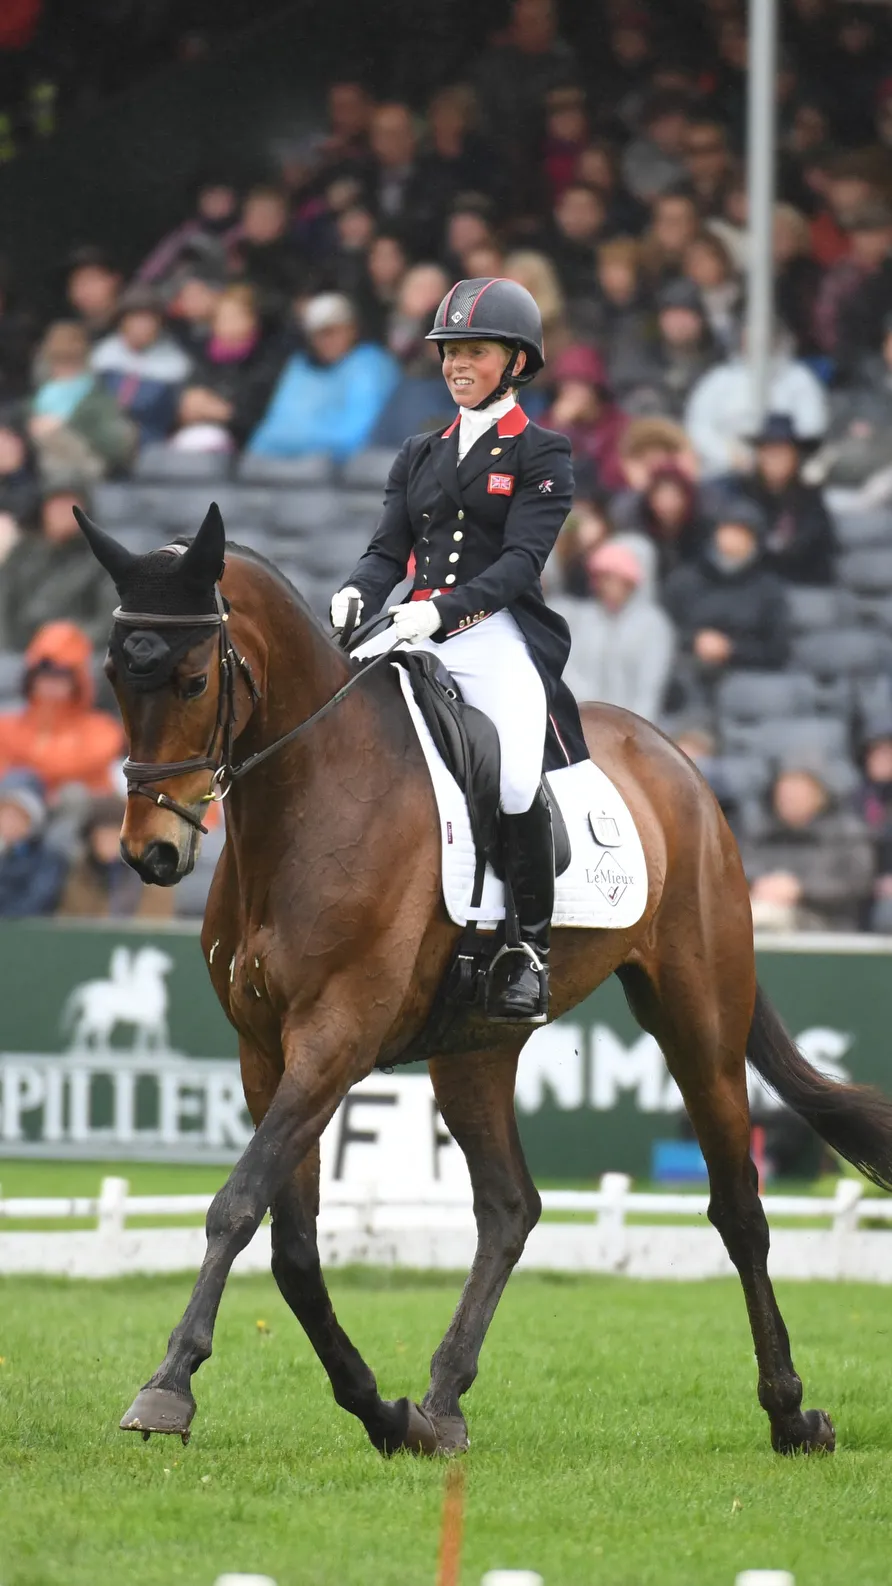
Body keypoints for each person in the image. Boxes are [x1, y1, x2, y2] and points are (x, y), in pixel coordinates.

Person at [330, 277, 589, 1022]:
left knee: (512, 780)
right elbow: (387, 552)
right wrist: (357, 590)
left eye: (472, 351)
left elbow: (519, 565)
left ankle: (526, 951)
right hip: (409, 627)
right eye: (449, 353)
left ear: (514, 361)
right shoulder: (419, 452)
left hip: (493, 633)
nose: (455, 365)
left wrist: (439, 614)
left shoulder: (544, 451)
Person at [662, 500, 790, 702]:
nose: (733, 539)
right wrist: (694, 640)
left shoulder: (769, 590)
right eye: (728, 530)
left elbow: (777, 651)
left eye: (743, 534)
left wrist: (732, 650)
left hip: (747, 683)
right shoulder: (684, 580)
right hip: (686, 676)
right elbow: (660, 630)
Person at [247, 292, 399, 464]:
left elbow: (355, 435)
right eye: (318, 334)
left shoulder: (372, 364)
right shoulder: (300, 365)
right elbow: (269, 433)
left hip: (344, 476)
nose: (325, 340)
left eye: (332, 331)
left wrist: (294, 443)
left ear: (352, 328)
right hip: (285, 471)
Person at [741, 758, 874, 933]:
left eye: (799, 791)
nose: (789, 797)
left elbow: (857, 883)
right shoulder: (759, 830)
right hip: (761, 907)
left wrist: (800, 890)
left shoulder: (847, 833)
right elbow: (738, 867)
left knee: (765, 917)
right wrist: (760, 883)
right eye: (784, 791)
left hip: (828, 921)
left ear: (820, 796)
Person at [684, 323, 829, 477]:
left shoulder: (799, 378)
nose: (758, 344)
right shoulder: (719, 380)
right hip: (724, 471)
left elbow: (812, 427)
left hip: (786, 471)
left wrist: (776, 455)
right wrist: (728, 457)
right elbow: (698, 427)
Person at [0, 621, 123, 801]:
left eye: (62, 674)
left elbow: (67, 766)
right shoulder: (6, 727)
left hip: (79, 820)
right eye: (44, 673)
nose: (51, 682)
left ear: (77, 682)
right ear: (31, 678)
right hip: (20, 817)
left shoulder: (102, 731)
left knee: (72, 794)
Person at [552, 540, 675, 720]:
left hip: (634, 730)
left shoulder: (653, 626)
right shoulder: (581, 618)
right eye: (602, 577)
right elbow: (567, 671)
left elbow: (649, 690)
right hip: (582, 722)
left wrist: (632, 731)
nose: (607, 585)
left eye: (614, 577)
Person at [0, 483, 115, 652]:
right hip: (19, 651)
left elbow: (109, 620)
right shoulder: (23, 554)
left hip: (75, 655)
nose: (61, 513)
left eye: (70, 506)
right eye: (55, 505)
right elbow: (4, 604)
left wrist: (66, 641)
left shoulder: (103, 558)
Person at [173, 285, 285, 453]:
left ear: (251, 320)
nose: (227, 324)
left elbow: (261, 414)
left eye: (234, 317)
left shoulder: (265, 361)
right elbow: (187, 402)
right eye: (221, 317)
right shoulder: (203, 358)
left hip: (244, 446)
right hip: (194, 435)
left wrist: (223, 413)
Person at [731, 413, 836, 586]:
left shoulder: (810, 497)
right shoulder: (744, 493)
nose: (775, 461)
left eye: (782, 453)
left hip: (802, 582)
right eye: (769, 453)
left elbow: (817, 544)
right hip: (752, 586)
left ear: (796, 458)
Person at [29, 320, 136, 482]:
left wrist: (66, 426)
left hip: (87, 474)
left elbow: (119, 445)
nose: (64, 370)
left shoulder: (99, 399)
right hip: (41, 476)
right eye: (58, 361)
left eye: (72, 361)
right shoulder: (38, 398)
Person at [91, 287, 192, 447]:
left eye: (148, 319)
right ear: (121, 321)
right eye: (135, 318)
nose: (142, 326)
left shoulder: (176, 363)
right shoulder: (101, 356)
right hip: (101, 436)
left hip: (151, 440)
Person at [610, 278, 719, 420]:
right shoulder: (641, 347)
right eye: (672, 314)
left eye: (686, 314)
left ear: (701, 321)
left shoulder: (715, 356)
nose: (679, 323)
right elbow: (623, 382)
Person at [56, 794, 173, 919]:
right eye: (102, 835)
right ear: (90, 838)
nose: (108, 842)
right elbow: (69, 920)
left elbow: (157, 923)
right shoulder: (79, 872)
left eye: (114, 834)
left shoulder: (154, 873)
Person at [541, 344, 628, 492]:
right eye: (565, 384)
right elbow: (537, 474)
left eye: (580, 383)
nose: (572, 392)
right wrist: (559, 428)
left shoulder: (619, 424)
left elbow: (615, 478)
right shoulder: (547, 423)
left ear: (596, 388)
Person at [0, 770, 66, 918]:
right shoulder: (4, 854)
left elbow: (36, 903)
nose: (8, 822)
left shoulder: (49, 858)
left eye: (17, 816)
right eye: (4, 815)